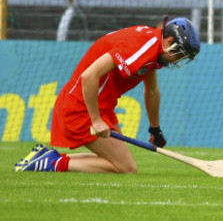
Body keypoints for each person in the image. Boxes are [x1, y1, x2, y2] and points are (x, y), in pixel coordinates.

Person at [14, 17, 200, 173]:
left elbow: (152, 91)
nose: (179, 60)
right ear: (169, 42)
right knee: (125, 167)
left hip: (102, 105)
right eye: (180, 54)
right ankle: (53, 164)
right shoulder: (144, 47)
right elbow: (89, 77)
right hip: (82, 106)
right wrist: (95, 120)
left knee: (118, 162)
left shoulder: (154, 48)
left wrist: (155, 128)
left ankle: (48, 159)